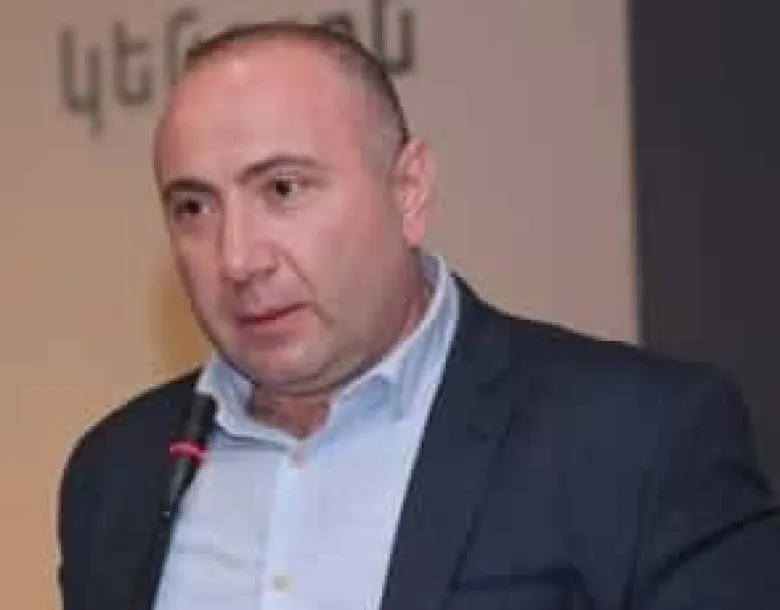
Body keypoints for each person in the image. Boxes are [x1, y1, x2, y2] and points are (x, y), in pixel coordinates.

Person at [57, 21, 780, 610]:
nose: (238, 257)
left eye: (283, 189)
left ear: (408, 190)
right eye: (193, 207)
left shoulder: (637, 440)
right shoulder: (116, 474)